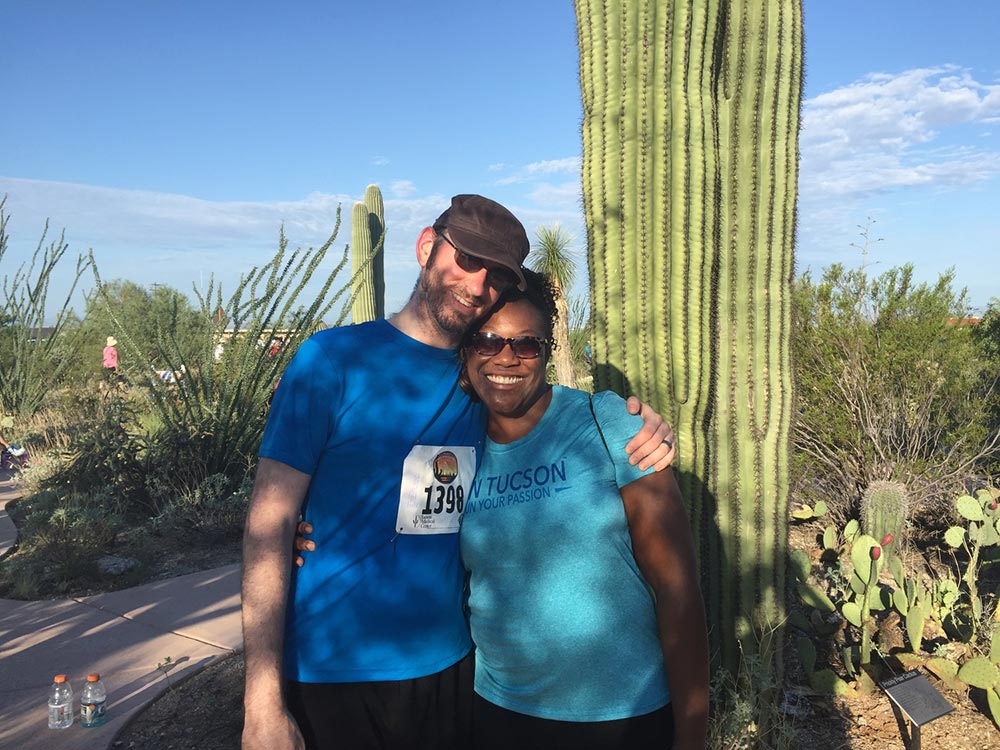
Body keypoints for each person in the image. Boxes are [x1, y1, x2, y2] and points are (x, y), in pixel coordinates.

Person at [241, 194, 676, 750]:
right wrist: (261, 703)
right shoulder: (330, 361)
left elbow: (550, 411)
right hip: (332, 669)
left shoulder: (485, 377)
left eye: (495, 276)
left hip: (452, 670)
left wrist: (634, 422)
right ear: (427, 247)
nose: (477, 286)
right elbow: (267, 522)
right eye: (466, 260)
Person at [458, 270, 708, 749]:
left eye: (525, 344)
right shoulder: (455, 445)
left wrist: (692, 735)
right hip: (497, 713)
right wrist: (300, 535)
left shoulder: (608, 423)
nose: (505, 358)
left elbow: (677, 588)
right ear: (467, 351)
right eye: (486, 341)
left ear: (549, 350)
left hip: (621, 718)